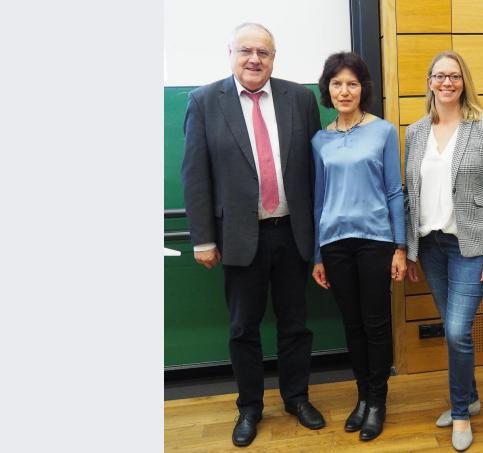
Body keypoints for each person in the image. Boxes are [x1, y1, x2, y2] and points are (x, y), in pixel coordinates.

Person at [181, 23, 325, 447]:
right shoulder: (205, 101)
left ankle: (297, 398)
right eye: (246, 51)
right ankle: (249, 407)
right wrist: (203, 238)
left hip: (292, 234)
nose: (254, 59)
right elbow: (195, 176)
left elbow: (315, 172)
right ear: (231, 53)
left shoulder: (300, 98)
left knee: (295, 324)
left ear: (274, 58)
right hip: (239, 238)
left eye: (263, 52)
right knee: (243, 328)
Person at [404, 50, 483, 452]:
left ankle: (462, 412)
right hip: (431, 246)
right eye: (439, 76)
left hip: (470, 246)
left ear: (464, 81)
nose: (447, 83)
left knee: (455, 330)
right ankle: (472, 395)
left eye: (454, 76)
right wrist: (410, 249)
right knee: (455, 331)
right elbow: (410, 194)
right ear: (429, 81)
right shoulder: (415, 132)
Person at [310, 52, 406, 441]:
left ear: (363, 89)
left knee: (376, 324)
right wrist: (318, 253)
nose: (344, 90)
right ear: (327, 90)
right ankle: (362, 397)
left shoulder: (382, 131)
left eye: (352, 83)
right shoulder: (320, 140)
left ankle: (378, 401)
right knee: (352, 325)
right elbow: (318, 199)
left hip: (375, 241)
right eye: (337, 84)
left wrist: (400, 246)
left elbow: (395, 192)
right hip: (334, 243)